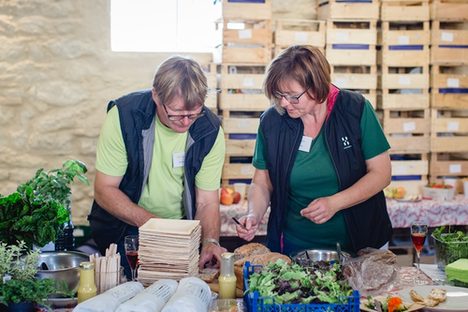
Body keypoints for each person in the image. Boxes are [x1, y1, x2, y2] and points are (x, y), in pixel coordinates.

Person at [235, 45, 393, 256]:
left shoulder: (355, 110)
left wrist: (335, 203)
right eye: (279, 95)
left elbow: (381, 174)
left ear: (317, 87)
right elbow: (262, 182)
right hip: (293, 247)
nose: (284, 103)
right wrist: (254, 214)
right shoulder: (272, 122)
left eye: (292, 96)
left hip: (361, 246)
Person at [88, 56, 226, 278]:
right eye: (176, 114)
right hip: (127, 228)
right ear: (155, 95)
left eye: (193, 114)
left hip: (181, 231)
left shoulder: (209, 130)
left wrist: (210, 241)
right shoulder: (124, 116)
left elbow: (206, 201)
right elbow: (105, 190)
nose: (185, 122)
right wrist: (158, 227)